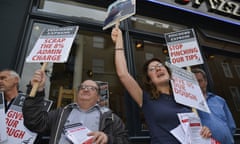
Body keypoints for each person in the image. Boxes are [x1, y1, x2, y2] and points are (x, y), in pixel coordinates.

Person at [111, 26, 212, 144]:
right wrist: (119, 41)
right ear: (150, 80)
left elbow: (195, 129)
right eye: (152, 69)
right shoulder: (146, 99)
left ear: (168, 72)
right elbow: (123, 74)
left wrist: (204, 131)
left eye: (160, 66)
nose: (158, 69)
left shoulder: (186, 98)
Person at [23, 69, 130, 144]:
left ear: (98, 97)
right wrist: (37, 90)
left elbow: (124, 141)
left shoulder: (110, 119)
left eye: (92, 88)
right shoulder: (61, 113)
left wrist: (108, 139)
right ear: (77, 93)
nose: (86, 89)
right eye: (82, 87)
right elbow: (35, 122)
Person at [192, 68, 236, 144]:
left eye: (200, 81)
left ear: (205, 82)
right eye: (194, 82)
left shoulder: (219, 100)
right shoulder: (189, 104)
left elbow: (231, 124)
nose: (197, 84)